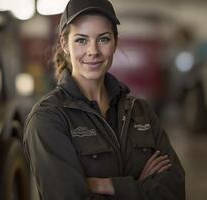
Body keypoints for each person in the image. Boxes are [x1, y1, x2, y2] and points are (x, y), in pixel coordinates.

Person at [23, 0, 185, 199]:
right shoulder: (49, 119)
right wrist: (139, 186)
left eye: (103, 39)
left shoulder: (140, 111)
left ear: (115, 43)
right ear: (65, 44)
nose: (93, 51)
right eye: (81, 40)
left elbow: (174, 189)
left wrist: (108, 186)